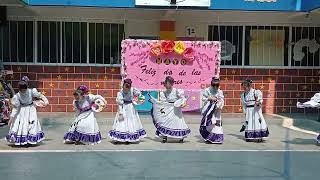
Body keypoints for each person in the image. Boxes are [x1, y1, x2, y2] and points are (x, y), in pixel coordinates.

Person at [6, 76, 48, 146]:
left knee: (32, 124)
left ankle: (30, 140)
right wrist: (11, 118)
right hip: (22, 111)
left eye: (24, 89)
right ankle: (23, 140)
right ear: (19, 89)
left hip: (31, 110)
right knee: (22, 125)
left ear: (27, 87)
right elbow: (16, 108)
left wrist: (45, 101)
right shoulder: (17, 96)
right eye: (21, 90)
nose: (23, 91)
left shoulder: (32, 91)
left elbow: (39, 95)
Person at [149, 76, 190, 143]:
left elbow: (182, 98)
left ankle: (181, 137)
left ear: (171, 84)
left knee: (178, 122)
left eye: (167, 83)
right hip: (168, 109)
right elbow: (162, 102)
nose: (165, 85)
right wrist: (154, 101)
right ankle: (165, 136)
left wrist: (182, 103)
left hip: (176, 109)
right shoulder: (164, 92)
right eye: (165, 83)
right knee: (165, 122)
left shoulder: (177, 91)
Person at [109, 79, 146, 143]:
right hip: (123, 107)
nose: (127, 90)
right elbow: (120, 103)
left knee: (131, 121)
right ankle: (119, 137)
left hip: (131, 107)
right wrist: (120, 111)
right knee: (122, 121)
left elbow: (139, 95)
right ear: (123, 86)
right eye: (125, 87)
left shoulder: (133, 90)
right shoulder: (120, 92)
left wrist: (139, 99)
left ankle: (129, 137)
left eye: (128, 88)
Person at [200, 77, 224, 144]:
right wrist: (209, 98)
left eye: (217, 85)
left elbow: (222, 100)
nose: (215, 87)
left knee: (217, 123)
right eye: (214, 85)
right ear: (211, 84)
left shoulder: (220, 91)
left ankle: (217, 138)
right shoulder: (207, 90)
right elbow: (203, 98)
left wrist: (219, 105)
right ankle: (209, 137)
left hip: (217, 111)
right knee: (210, 123)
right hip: (209, 111)